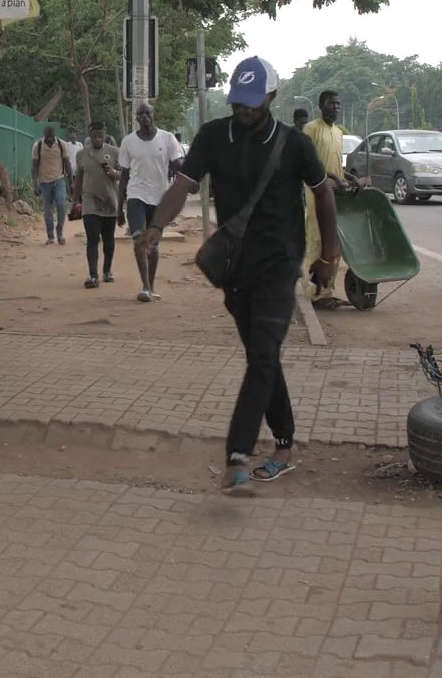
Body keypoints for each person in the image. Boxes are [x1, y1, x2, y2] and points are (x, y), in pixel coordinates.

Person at [136, 57, 339, 495]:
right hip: (235, 267)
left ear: (271, 97)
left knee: (263, 356)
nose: (243, 109)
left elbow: (324, 194)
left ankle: (237, 455)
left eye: (252, 102)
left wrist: (330, 256)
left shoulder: (294, 144)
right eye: (237, 101)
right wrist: (156, 226)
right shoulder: (214, 136)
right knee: (262, 357)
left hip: (280, 265)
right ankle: (284, 445)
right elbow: (182, 186)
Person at [118, 103, 184, 303]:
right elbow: (124, 175)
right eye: (141, 114)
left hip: (158, 198)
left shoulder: (167, 138)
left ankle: (151, 285)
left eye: (148, 113)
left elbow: (178, 165)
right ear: (136, 117)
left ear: (153, 114)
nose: (145, 116)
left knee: (152, 244)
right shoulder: (128, 142)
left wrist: (189, 181)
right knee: (139, 240)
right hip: (136, 195)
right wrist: (119, 208)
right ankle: (145, 287)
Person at [302, 91, 357, 308]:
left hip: (335, 197)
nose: (335, 107)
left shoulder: (338, 132)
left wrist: (350, 178)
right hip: (317, 196)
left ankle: (327, 291)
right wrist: (333, 177)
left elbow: (336, 166)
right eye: (331, 104)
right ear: (321, 105)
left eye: (338, 104)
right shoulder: (311, 129)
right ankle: (314, 294)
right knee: (318, 243)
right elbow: (308, 163)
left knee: (334, 245)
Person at [70, 120, 124, 288]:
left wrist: (113, 172)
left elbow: (124, 174)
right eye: (95, 136)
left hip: (109, 201)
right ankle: (93, 275)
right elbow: (78, 179)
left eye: (101, 136)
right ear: (89, 136)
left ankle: (107, 271)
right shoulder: (82, 154)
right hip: (89, 201)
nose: (98, 139)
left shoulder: (115, 152)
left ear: (105, 134)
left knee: (108, 239)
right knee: (92, 239)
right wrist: (74, 201)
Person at [31, 125, 73, 245]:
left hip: (59, 180)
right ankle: (50, 236)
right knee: (48, 210)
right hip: (44, 183)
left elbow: (67, 163)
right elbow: (34, 166)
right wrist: (35, 184)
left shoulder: (61, 145)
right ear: (44, 135)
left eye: (52, 137)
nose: (50, 140)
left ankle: (59, 232)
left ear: (55, 136)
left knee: (61, 205)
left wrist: (71, 182)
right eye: (47, 137)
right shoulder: (38, 146)